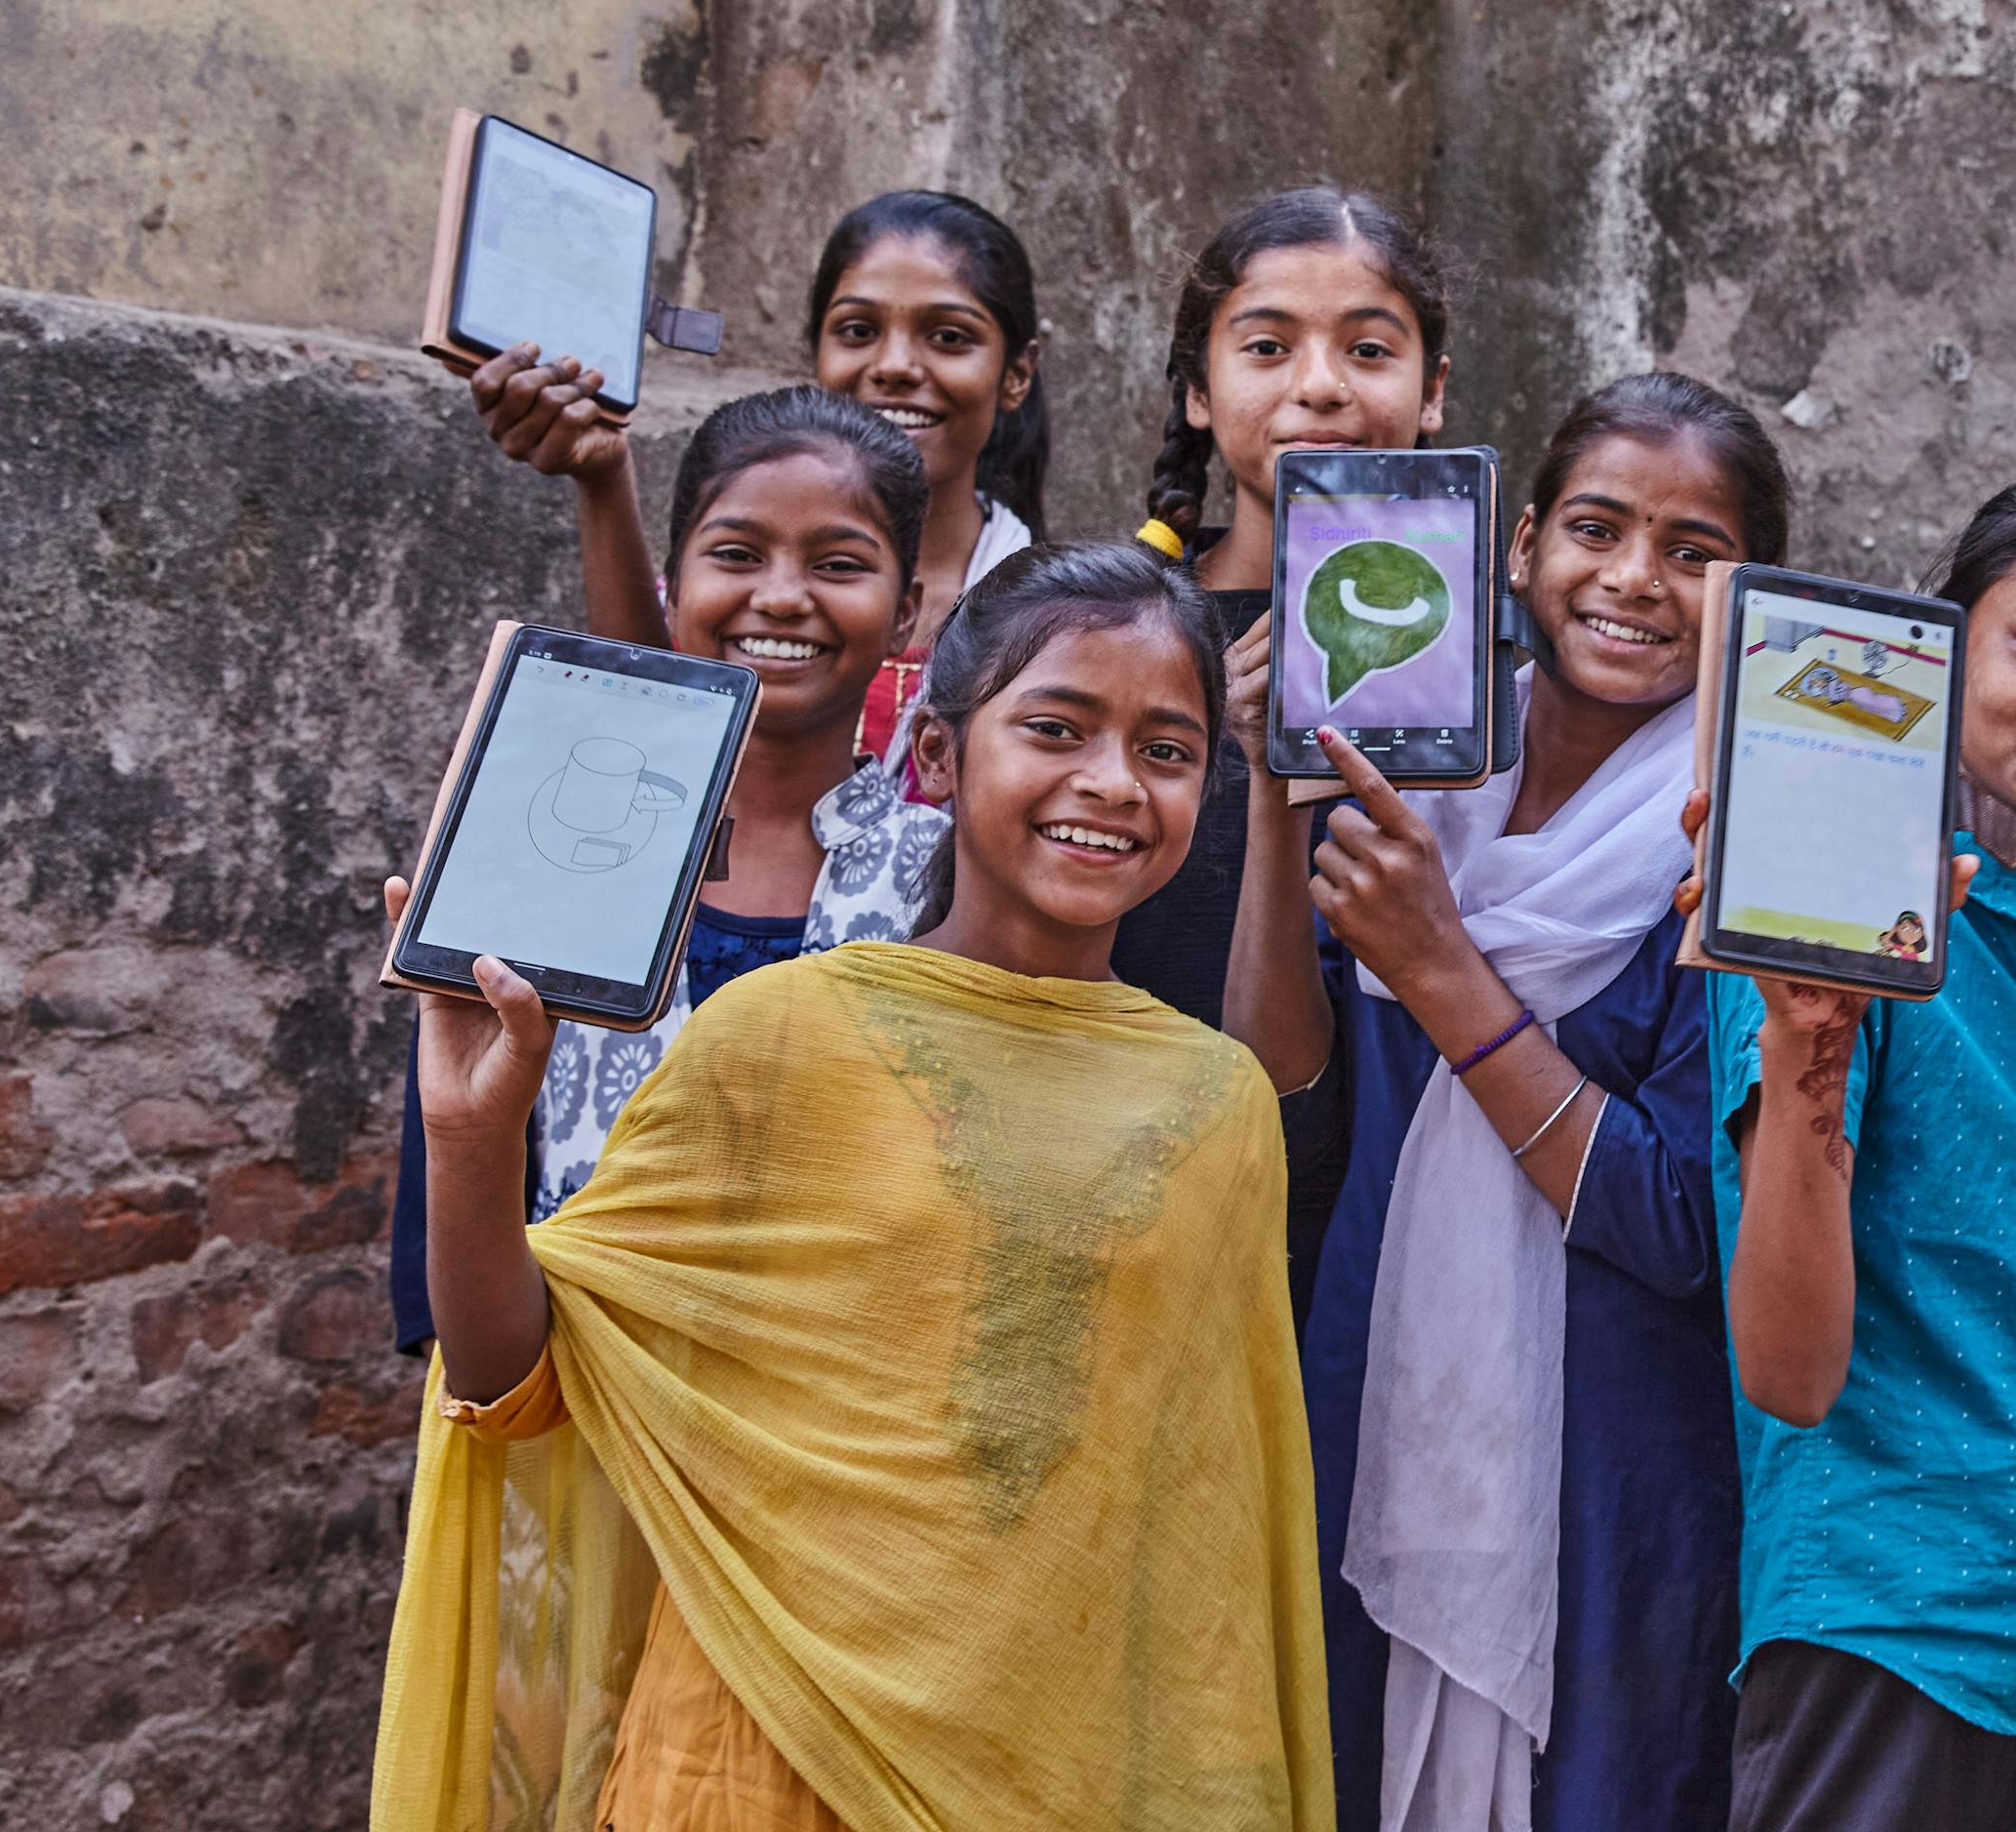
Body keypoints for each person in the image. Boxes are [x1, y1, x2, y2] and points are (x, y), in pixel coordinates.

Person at [370, 542, 1329, 1830]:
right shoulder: (778, 1036)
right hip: (757, 1753)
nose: (1111, 782)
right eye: (1056, 727)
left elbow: (1202, 1539)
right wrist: (470, 1137)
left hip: (1074, 1770)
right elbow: (517, 1379)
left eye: (1166, 750)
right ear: (936, 758)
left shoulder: (1221, 1107)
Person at [1227, 372, 1787, 1832]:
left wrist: (1440, 967)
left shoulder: (1737, 830)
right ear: (1522, 543)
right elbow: (1279, 1089)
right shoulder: (1421, 756)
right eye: (1597, 528)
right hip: (1377, 1394)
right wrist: (1276, 796)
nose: (1634, 581)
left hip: (1605, 1468)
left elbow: (1675, 1220)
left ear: (1751, 599)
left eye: (1696, 553)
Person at [1706, 476, 2016, 1832]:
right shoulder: (1824, 913)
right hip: (1897, 1635)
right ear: (1941, 650)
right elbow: (1790, 1372)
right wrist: (1811, 1029)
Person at [383, 386, 945, 1352]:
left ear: (906, 614)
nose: (779, 594)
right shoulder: (536, 854)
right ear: (671, 590)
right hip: (567, 1425)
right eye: (736, 554)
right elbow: (455, 1247)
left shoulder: (941, 883)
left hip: (840, 1444)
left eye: (839, 564)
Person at [1127, 186, 1459, 1316]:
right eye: (1266, 346)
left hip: (1370, 1240)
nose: (1319, 384)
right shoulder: (1111, 634)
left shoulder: (1488, 658)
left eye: (1369, 349)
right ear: (1196, 387)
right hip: (1122, 1191)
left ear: (1432, 394)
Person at [462, 188, 1049, 792]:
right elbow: (648, 722)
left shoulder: (1045, 619)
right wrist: (603, 478)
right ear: (815, 353)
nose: (895, 364)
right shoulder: (723, 600)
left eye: (949, 337)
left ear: (1018, 373)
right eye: (857, 330)